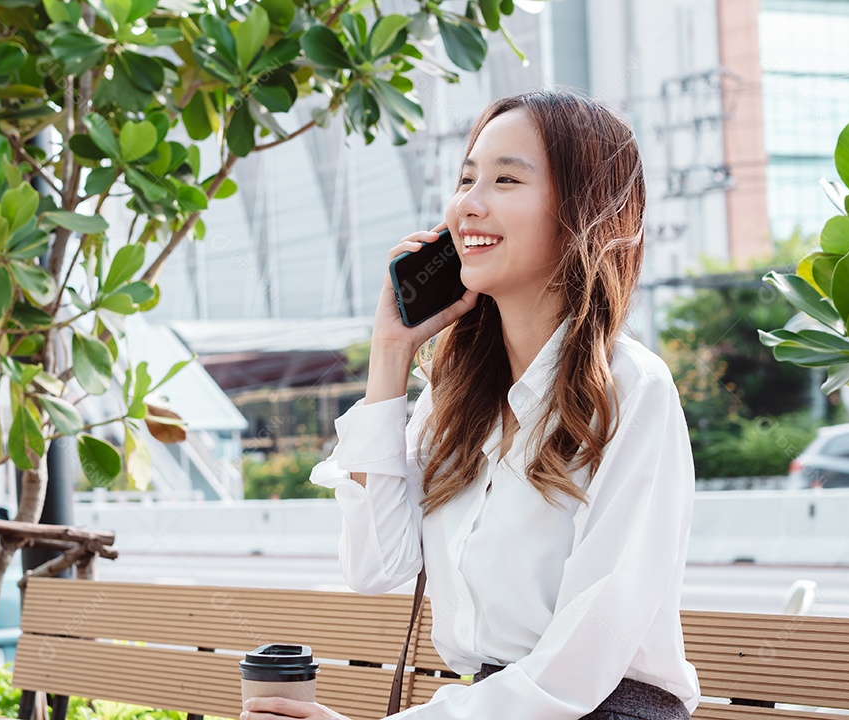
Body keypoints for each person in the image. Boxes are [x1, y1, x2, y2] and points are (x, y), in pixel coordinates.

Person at [241, 90, 699, 720]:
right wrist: (390, 350)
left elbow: (576, 673)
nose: (468, 205)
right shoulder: (457, 397)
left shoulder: (631, 389)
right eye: (465, 178)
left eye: (506, 179)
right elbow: (375, 566)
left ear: (582, 210)